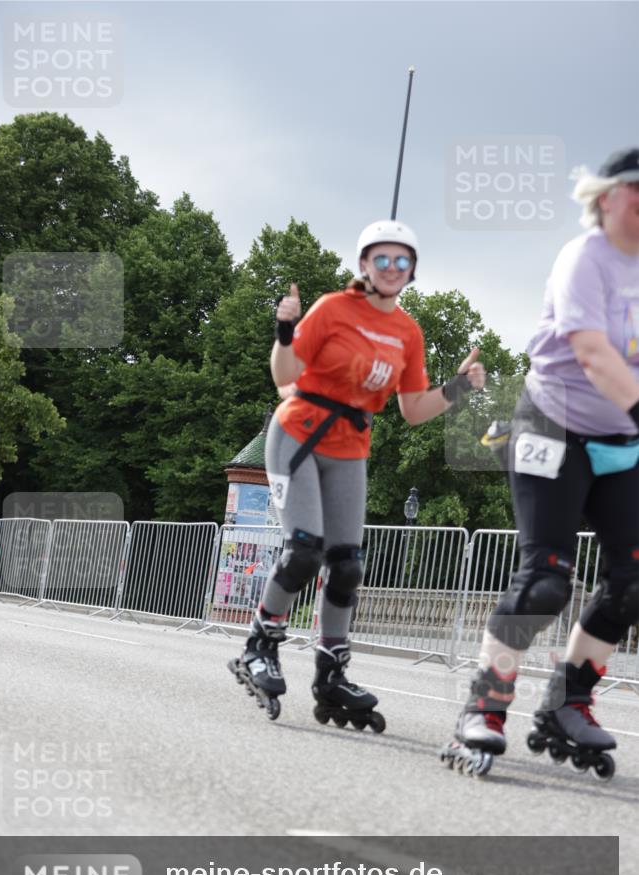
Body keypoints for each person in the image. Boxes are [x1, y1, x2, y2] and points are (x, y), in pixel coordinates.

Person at [228, 219, 485, 726]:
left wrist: (456, 387)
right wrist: (285, 330)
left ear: (411, 271)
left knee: (346, 564)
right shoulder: (332, 308)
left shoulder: (408, 332)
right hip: (298, 434)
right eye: (381, 259)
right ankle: (260, 644)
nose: (392, 268)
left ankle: (330, 673)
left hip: (351, 447)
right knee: (304, 549)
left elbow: (412, 409)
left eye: (402, 261)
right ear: (365, 264)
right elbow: (283, 375)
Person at [444, 147, 639, 778]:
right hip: (551, 426)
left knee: (633, 580)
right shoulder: (585, 258)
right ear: (606, 196)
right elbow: (593, 355)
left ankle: (567, 703)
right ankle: (485, 708)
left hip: (618, 439)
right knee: (546, 578)